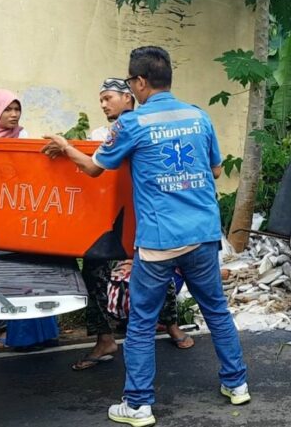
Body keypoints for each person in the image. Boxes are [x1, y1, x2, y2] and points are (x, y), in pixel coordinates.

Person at [42, 46, 249, 427]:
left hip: (159, 240)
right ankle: (236, 384)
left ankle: (137, 405)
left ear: (138, 82)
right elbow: (217, 171)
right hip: (203, 234)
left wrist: (66, 146)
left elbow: (93, 168)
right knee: (216, 311)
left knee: (140, 322)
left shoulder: (131, 125)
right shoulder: (199, 117)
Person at [72, 78, 194, 371]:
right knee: (93, 270)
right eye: (100, 99)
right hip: (107, 218)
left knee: (156, 267)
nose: (103, 104)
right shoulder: (99, 135)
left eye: (109, 98)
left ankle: (171, 324)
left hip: (142, 214)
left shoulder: (146, 126)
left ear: (129, 97)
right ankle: (104, 337)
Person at [0, 89, 59, 352]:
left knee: (30, 271)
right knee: (7, 275)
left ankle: (45, 333)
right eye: (7, 109)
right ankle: (19, 336)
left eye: (16, 109)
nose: (13, 114)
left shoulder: (22, 136)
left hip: (23, 211)